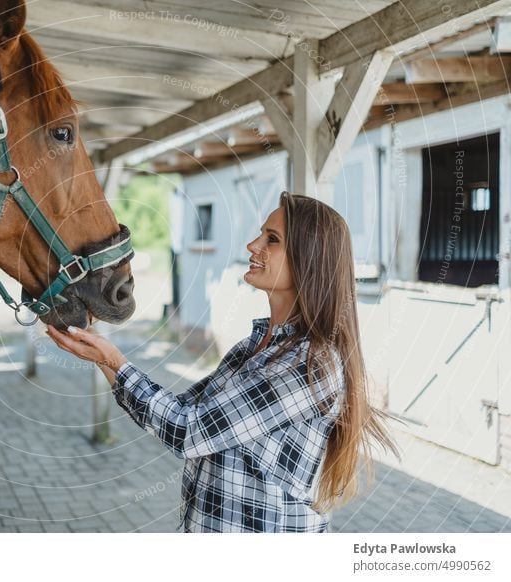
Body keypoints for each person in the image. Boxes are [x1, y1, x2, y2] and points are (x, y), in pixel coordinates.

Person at [46, 191, 400, 533]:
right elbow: (182, 409)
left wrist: (113, 359)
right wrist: (102, 356)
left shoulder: (309, 366)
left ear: (309, 260)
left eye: (271, 239)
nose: (253, 246)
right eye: (261, 233)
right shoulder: (254, 346)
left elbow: (187, 430)